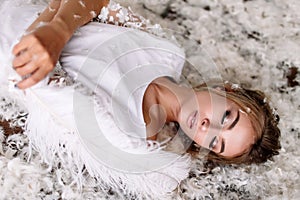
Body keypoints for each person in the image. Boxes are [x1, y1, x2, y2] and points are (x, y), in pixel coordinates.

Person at [0, 0, 281, 197]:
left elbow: (33, 83)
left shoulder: (133, 133)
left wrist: (50, 28)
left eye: (215, 142)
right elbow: (97, 3)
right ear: (226, 91)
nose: (207, 126)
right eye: (226, 117)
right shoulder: (169, 51)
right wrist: (57, 30)